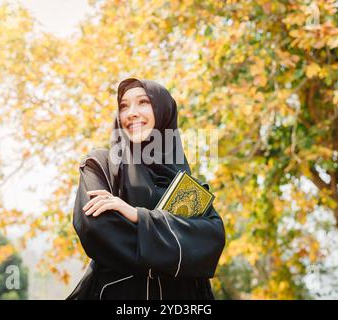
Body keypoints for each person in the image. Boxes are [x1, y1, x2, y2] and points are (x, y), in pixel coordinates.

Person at [67, 78, 225, 300]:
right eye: (123, 106)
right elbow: (97, 231)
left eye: (143, 102)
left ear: (163, 113)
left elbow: (212, 239)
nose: (131, 113)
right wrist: (181, 248)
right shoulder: (101, 166)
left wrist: (137, 216)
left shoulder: (187, 184)